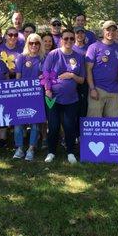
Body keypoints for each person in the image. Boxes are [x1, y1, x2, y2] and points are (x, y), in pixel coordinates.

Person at [42, 29, 85, 164]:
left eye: (71, 39)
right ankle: (51, 152)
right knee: (53, 126)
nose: (69, 41)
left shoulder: (79, 56)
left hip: (72, 99)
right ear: (61, 40)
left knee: (69, 126)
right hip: (53, 98)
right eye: (66, 38)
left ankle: (71, 152)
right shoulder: (53, 54)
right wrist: (48, 89)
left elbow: (82, 80)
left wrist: (72, 75)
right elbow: (46, 73)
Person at [13, 33, 44, 161]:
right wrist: (16, 94)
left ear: (40, 44)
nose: (34, 45)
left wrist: (43, 78)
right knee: (18, 122)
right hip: (22, 95)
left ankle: (31, 148)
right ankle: (20, 148)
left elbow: (46, 77)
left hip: (37, 95)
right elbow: (18, 77)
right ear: (27, 44)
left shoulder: (44, 58)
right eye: (31, 43)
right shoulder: (21, 58)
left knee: (35, 123)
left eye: (37, 43)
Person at [86, 21, 118, 117]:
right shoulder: (93, 47)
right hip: (97, 89)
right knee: (94, 123)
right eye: (108, 30)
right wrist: (92, 88)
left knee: (112, 125)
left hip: (114, 90)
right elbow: (88, 69)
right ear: (103, 31)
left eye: (113, 30)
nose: (111, 32)